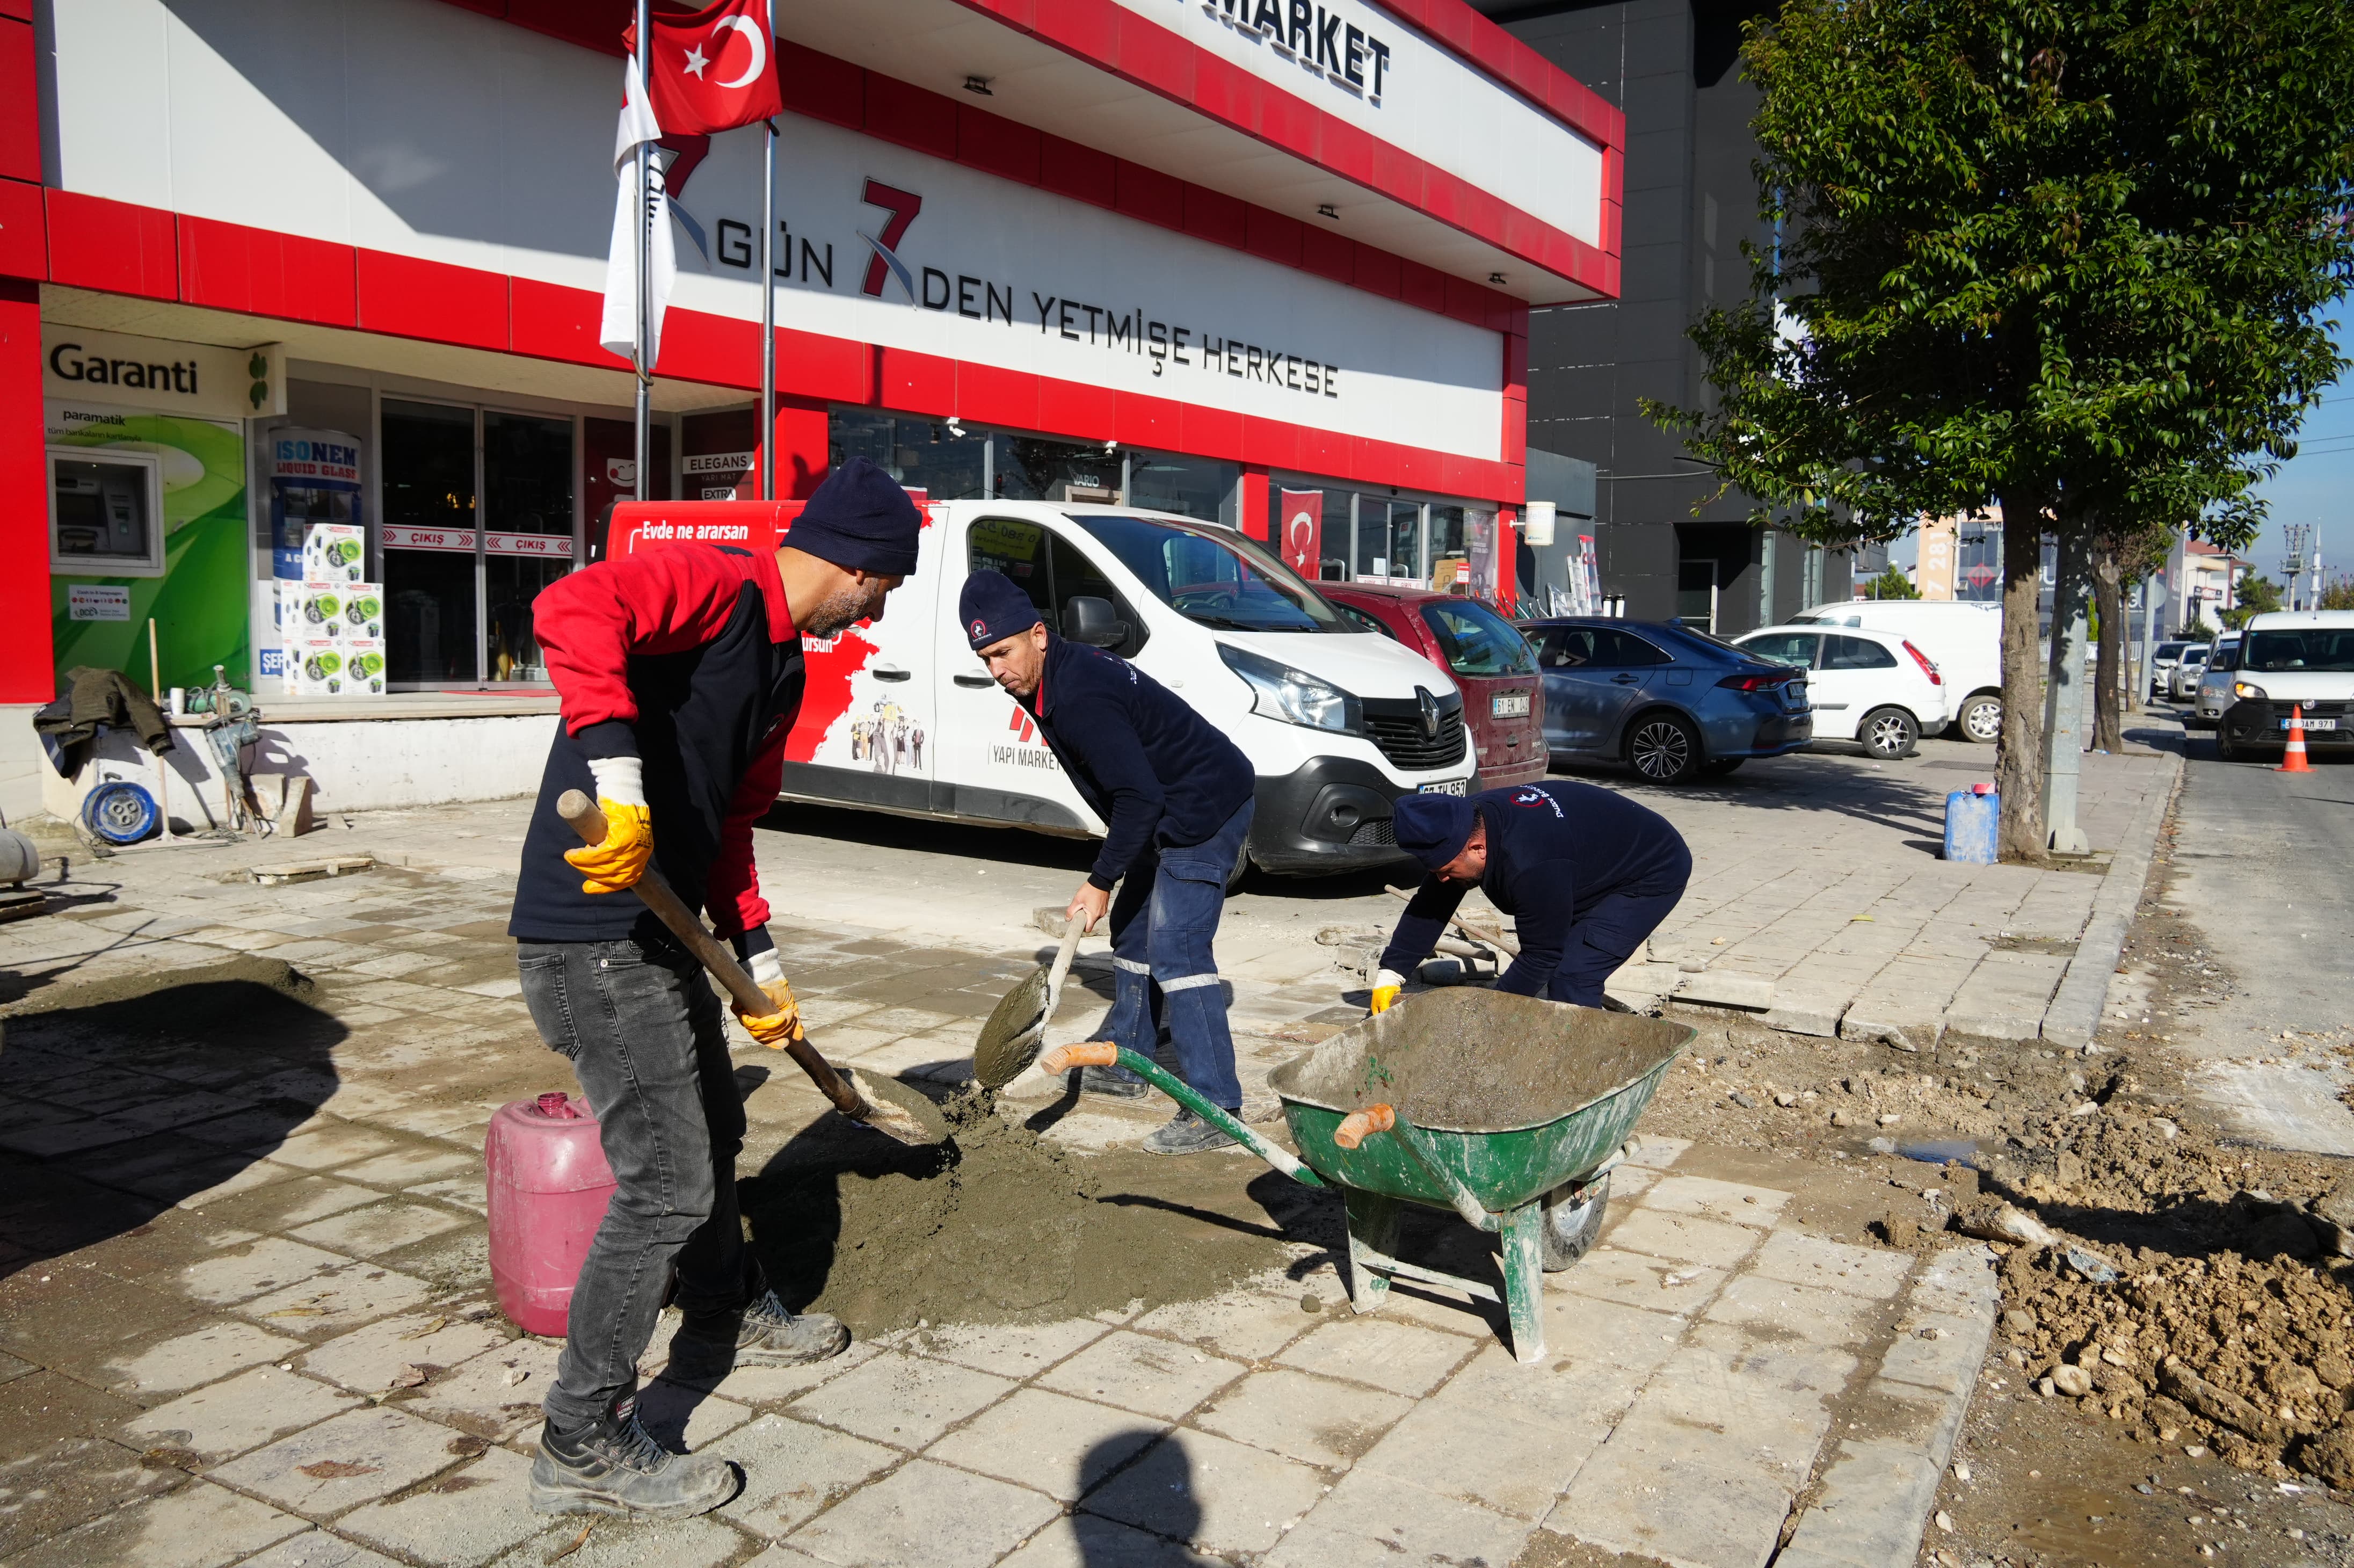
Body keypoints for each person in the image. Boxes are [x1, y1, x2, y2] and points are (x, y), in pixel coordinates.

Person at [507, 458, 921, 1519]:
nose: (875, 609)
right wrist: (613, 772)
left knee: (710, 1142)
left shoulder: (781, 671)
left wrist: (763, 973)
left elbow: (731, 832)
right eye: (883, 588)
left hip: (667, 935)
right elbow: (571, 603)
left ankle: (726, 1303)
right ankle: (582, 1433)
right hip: (596, 935)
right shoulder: (717, 585)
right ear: (856, 566)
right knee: (666, 1182)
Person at [961, 569, 1254, 1154]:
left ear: (1038, 635)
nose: (996, 671)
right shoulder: (1049, 678)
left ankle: (1217, 1107)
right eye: (985, 658)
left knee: (1179, 950)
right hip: (1162, 806)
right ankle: (1130, 1061)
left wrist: (1100, 880)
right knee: (1133, 934)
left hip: (1204, 808)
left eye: (1003, 652)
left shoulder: (1077, 694)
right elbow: (1133, 792)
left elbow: (1138, 797)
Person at [1372, 782, 1690, 1012]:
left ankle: (1577, 1074)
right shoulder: (1467, 823)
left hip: (1651, 870)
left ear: (1478, 848)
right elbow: (1433, 902)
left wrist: (1490, 1019)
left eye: (1447, 870)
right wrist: (1391, 972)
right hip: (1586, 858)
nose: (1442, 879)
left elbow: (1541, 956)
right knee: (1557, 948)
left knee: (1573, 975)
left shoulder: (1531, 864)